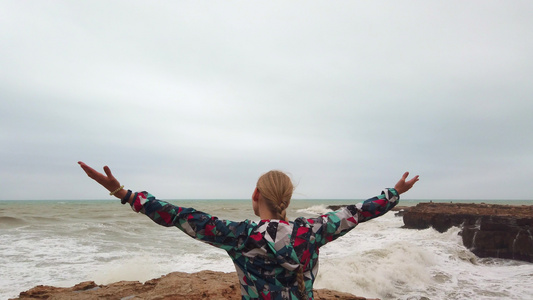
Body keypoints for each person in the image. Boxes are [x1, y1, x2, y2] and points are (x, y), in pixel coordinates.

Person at [78, 161, 419, 300]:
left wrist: (123, 192)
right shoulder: (313, 230)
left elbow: (179, 216)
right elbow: (357, 213)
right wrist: (394, 193)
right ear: (287, 199)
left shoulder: (240, 234)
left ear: (256, 196)